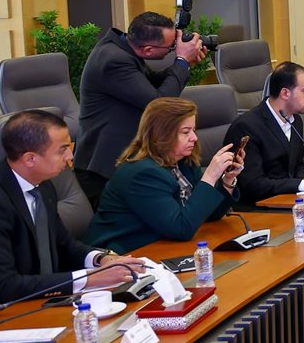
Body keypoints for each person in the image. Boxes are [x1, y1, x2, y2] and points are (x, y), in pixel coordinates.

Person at [0, 111, 149, 306]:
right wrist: (88, 279)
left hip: (48, 301)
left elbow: (63, 244)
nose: (70, 156)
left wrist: (101, 259)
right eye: (62, 150)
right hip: (9, 311)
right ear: (30, 159)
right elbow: (2, 286)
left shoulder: (43, 186)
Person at [73, 11, 207, 208]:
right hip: (103, 170)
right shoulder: (113, 60)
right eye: (171, 47)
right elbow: (158, 102)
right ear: (148, 50)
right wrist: (181, 61)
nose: (173, 49)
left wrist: (186, 64)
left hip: (120, 162)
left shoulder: (124, 48)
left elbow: (152, 84)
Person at [85, 98, 240, 253]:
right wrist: (210, 176)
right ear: (161, 134)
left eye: (193, 130)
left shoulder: (184, 162)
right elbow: (181, 229)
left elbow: (208, 214)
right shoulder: (142, 173)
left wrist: (227, 180)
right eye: (185, 132)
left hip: (163, 246)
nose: (194, 137)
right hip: (124, 254)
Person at [222, 63, 304, 207]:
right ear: (285, 93)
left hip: (292, 201)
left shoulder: (295, 120)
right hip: (259, 208)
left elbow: (297, 164)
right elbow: (252, 185)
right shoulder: (246, 127)